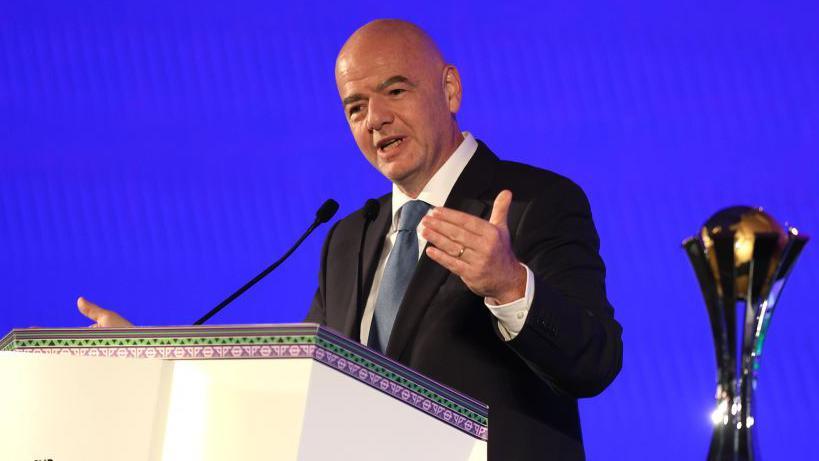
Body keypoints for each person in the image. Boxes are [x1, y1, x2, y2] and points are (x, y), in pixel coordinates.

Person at [79, 19, 622, 460]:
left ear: (449, 89)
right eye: (355, 106)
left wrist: (509, 286)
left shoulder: (534, 202)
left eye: (394, 90)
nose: (375, 119)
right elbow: (298, 384)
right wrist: (151, 356)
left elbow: (595, 361)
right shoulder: (345, 239)